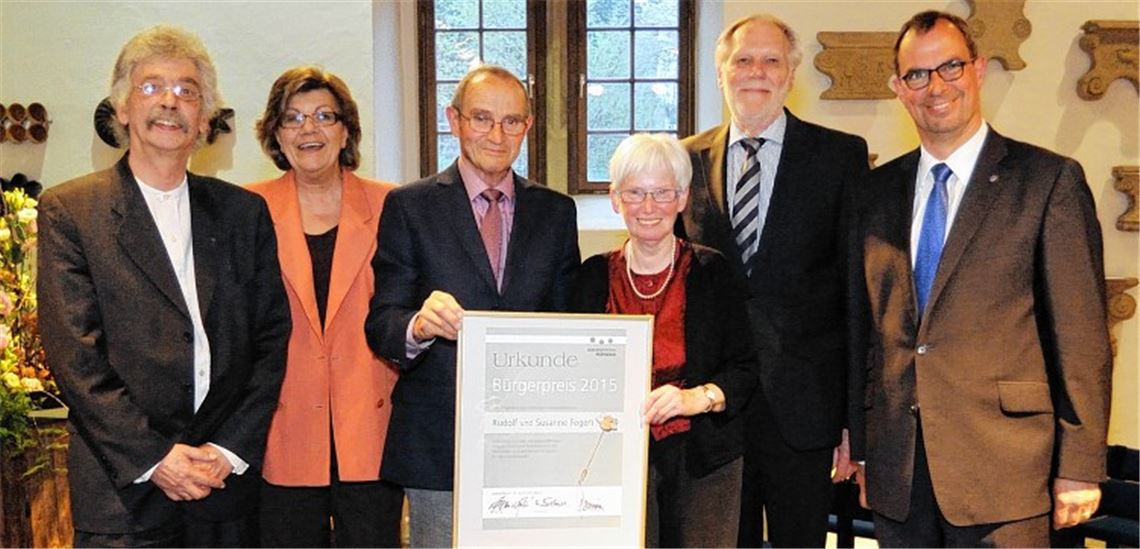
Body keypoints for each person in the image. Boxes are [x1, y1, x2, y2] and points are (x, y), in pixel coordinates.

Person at [847, 10, 1112, 547]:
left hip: (1007, 471)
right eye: (917, 75)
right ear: (899, 88)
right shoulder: (872, 195)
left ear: (979, 70)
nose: (936, 87)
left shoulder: (1047, 182)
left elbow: (1081, 336)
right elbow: (865, 332)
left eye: (949, 67)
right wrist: (861, 443)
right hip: (901, 470)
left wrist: (1081, 464)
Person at [36, 25, 290, 547]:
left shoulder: (244, 214)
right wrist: (156, 457)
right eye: (151, 86)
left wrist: (228, 450)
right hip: (124, 497)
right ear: (122, 108)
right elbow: (76, 358)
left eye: (188, 91)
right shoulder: (72, 211)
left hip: (226, 490)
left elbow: (270, 344)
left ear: (204, 119)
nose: (170, 101)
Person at [364, 64, 580, 548]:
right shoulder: (409, 206)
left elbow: (570, 325)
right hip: (440, 441)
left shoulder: (556, 211)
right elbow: (382, 321)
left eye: (511, 121)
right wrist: (420, 324)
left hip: (531, 444)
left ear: (527, 126)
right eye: (482, 118)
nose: (497, 134)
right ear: (454, 119)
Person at [676, 13, 869, 547]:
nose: (755, 71)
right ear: (721, 73)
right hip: (713, 409)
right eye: (742, 59)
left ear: (790, 76)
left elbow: (858, 294)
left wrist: (856, 421)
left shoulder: (840, 157)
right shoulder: (685, 160)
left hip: (806, 409)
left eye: (770, 61)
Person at [570, 134, 758, 548]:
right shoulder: (590, 278)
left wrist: (699, 397)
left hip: (705, 460)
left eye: (662, 192)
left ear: (683, 198)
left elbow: (746, 368)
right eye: (635, 192)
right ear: (616, 199)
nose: (649, 206)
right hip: (611, 462)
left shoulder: (714, 271)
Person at [247, 66, 403, 548]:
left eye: (323, 116)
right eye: (292, 118)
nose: (308, 129)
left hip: (370, 431)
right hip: (282, 431)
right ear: (275, 133)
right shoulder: (247, 208)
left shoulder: (392, 204)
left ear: (346, 130)